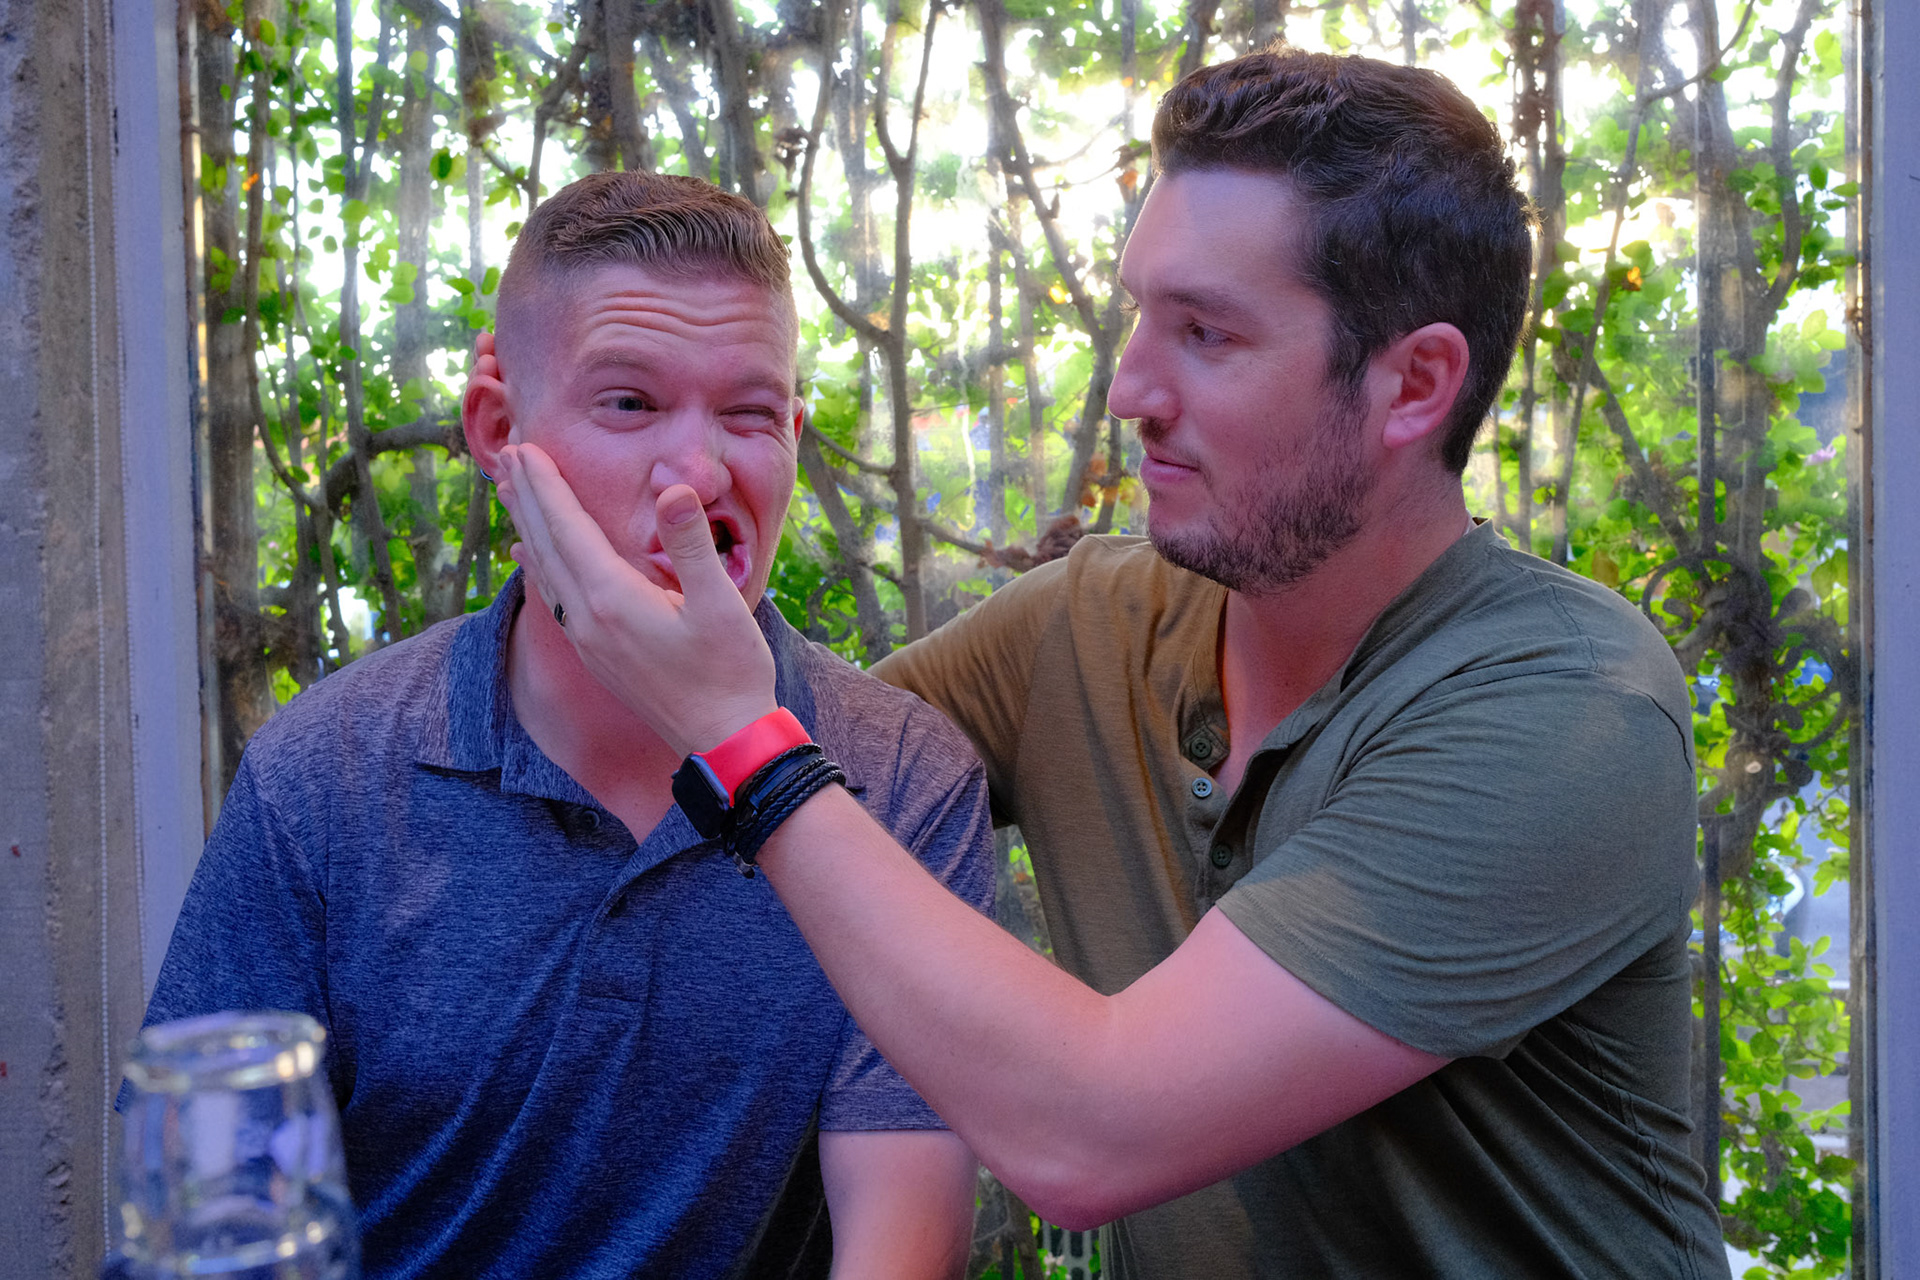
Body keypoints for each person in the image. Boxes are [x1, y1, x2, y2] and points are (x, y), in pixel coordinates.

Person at [494, 50, 1732, 1279]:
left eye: (1206, 333)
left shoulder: (1571, 708)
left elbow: (1090, 1131)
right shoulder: (1083, 626)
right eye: (1142, 314)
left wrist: (737, 731)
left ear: (1413, 384)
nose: (1132, 386)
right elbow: (803, 810)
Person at [134, 171, 990, 1279]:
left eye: (749, 414)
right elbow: (211, 1227)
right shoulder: (322, 777)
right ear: (500, 432)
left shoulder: (903, 780)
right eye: (629, 403)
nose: (700, 475)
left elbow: (904, 1250)